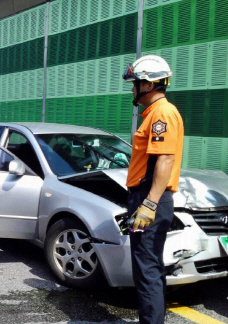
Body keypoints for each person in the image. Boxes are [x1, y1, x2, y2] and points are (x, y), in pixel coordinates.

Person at [122, 55, 184, 324]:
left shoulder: (162, 113)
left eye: (135, 83)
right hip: (147, 198)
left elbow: (165, 159)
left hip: (150, 198)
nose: (133, 88)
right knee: (148, 266)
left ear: (148, 85)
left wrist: (148, 204)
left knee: (146, 269)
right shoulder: (155, 114)